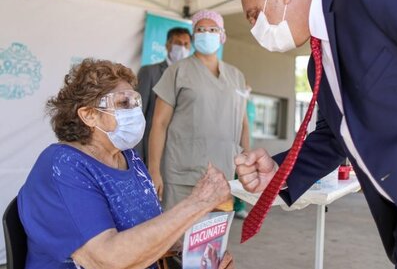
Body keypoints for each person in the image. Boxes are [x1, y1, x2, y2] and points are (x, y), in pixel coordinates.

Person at [229, 0, 397, 268]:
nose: (254, 29)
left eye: (253, 15)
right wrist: (279, 173)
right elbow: (333, 139)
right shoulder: (318, 62)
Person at [17, 59, 234, 269]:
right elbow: (106, 260)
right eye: (123, 103)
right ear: (89, 115)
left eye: (135, 102)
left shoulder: (129, 158)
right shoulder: (63, 166)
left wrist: (194, 253)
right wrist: (198, 202)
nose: (134, 111)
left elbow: (147, 231)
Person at [148, 10, 250, 209]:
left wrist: (247, 164)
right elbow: (159, 123)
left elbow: (243, 125)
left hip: (223, 175)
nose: (206, 33)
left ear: (222, 36)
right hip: (182, 175)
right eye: (200, 29)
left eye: (212, 29)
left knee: (214, 237)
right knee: (178, 237)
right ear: (194, 36)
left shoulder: (236, 76)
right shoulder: (177, 71)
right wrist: (154, 169)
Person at [135, 27, 192, 164]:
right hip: (152, 153)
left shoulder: (192, 77)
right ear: (167, 45)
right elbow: (138, 117)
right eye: (178, 43)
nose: (182, 48)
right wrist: (137, 159)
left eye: (186, 44)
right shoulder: (149, 72)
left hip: (179, 156)